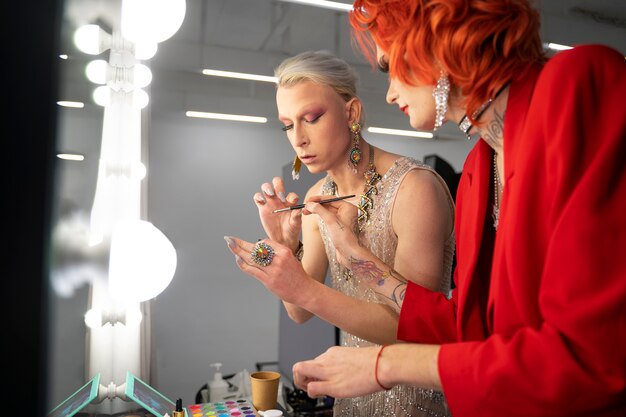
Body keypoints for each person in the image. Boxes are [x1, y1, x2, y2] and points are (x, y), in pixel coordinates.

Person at [277, 1, 625, 417]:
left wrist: (383, 364)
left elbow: (594, 358)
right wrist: (350, 251)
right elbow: (468, 328)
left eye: (391, 68)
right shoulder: (480, 168)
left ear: (435, 45)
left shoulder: (580, 82)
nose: (389, 93)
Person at [225, 50, 455, 416]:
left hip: (412, 400)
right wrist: (286, 247)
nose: (298, 139)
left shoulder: (415, 189)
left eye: (311, 118)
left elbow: (416, 329)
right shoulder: (319, 197)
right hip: (350, 399)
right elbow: (299, 311)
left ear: (351, 113)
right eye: (287, 125)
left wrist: (302, 286)